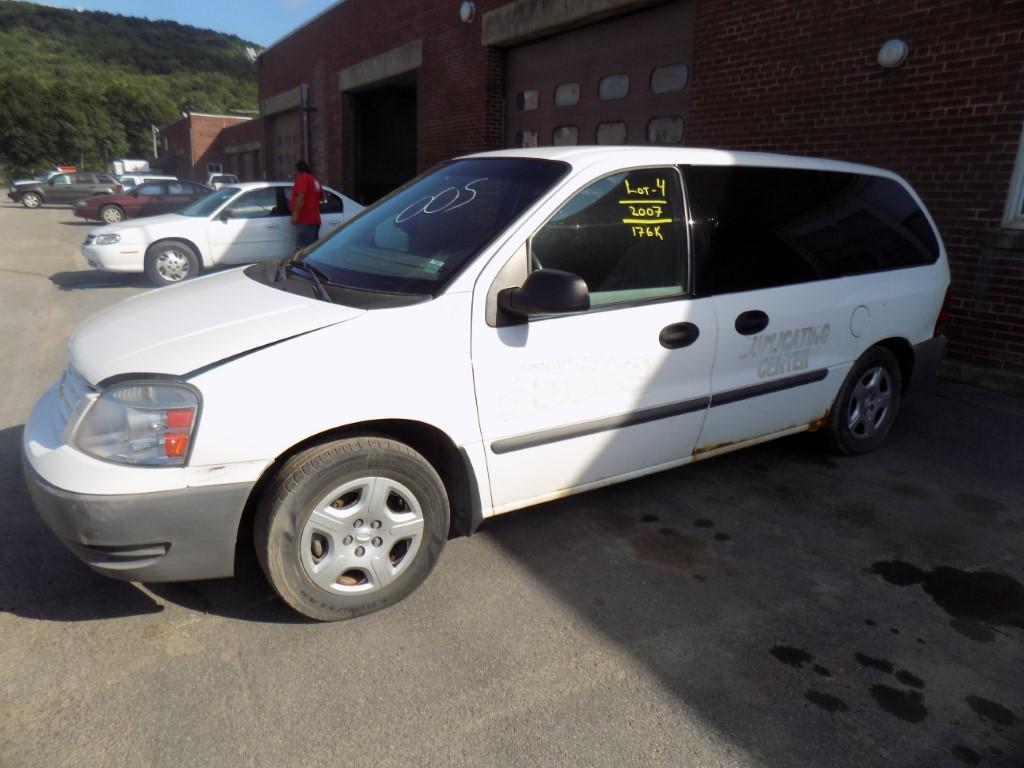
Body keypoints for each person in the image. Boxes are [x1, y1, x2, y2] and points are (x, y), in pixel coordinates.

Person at [290, 160, 323, 249]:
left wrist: (295, 215)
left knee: (304, 250)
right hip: (315, 219)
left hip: (305, 220)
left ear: (298, 170)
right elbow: (321, 198)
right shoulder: (315, 180)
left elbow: (301, 197)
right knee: (313, 249)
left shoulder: (302, 178)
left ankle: (304, 263)